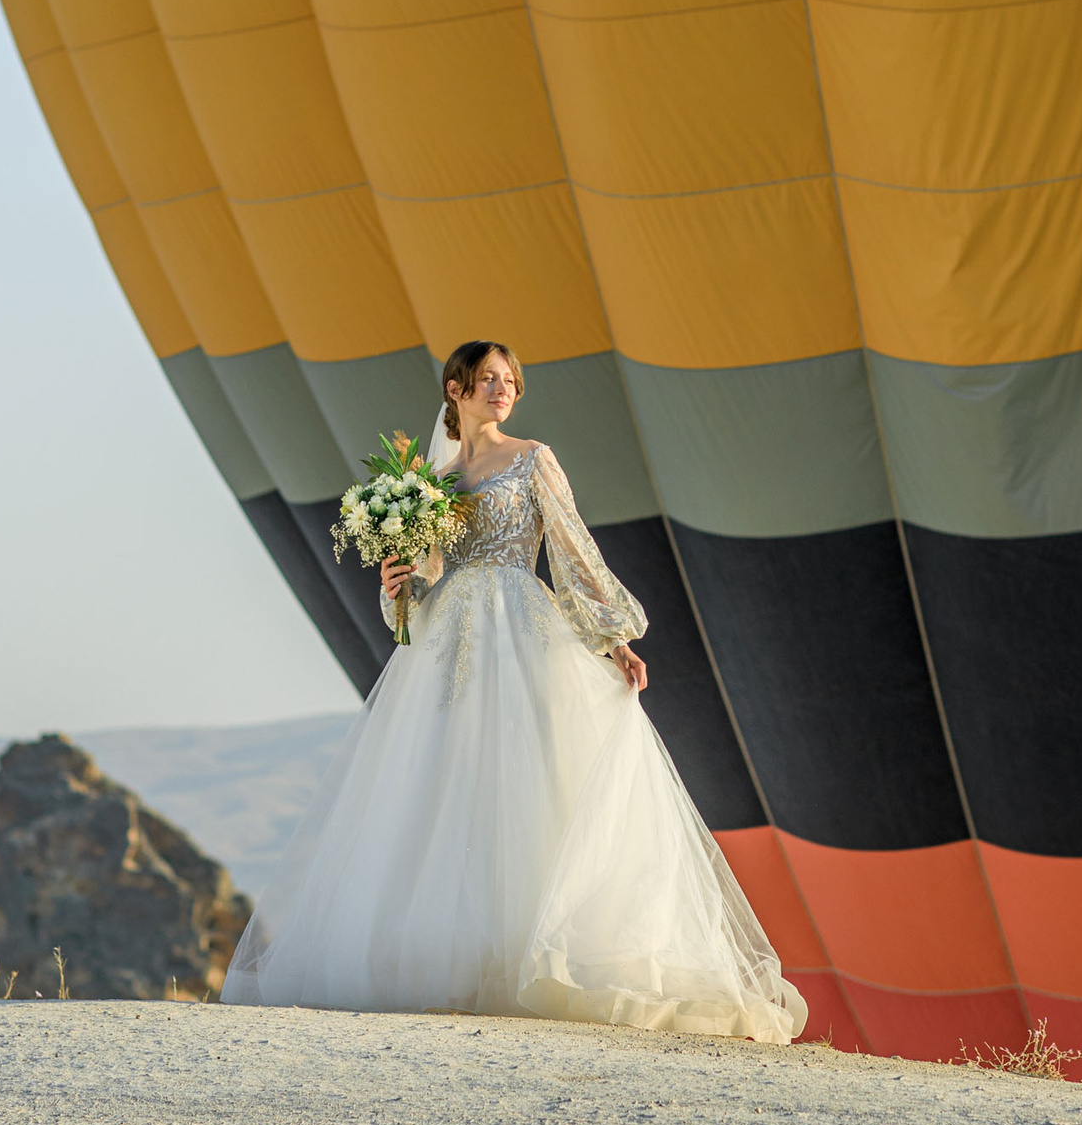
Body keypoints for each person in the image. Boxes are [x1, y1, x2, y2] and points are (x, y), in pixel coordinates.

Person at [222, 340, 807, 1042]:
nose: (502, 391)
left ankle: (534, 958)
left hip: (522, 628)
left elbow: (572, 548)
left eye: (510, 382)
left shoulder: (533, 458)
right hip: (448, 642)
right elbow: (427, 578)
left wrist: (611, 635)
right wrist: (399, 583)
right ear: (456, 388)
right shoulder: (430, 481)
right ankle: (459, 961)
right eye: (488, 381)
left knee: (528, 782)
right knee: (446, 786)